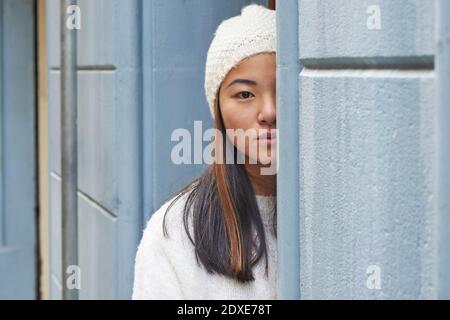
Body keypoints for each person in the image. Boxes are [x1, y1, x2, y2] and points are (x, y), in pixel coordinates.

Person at [132, 4, 277, 300]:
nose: (269, 112)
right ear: (218, 110)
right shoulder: (174, 233)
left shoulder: (333, 213)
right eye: (245, 94)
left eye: (284, 89)